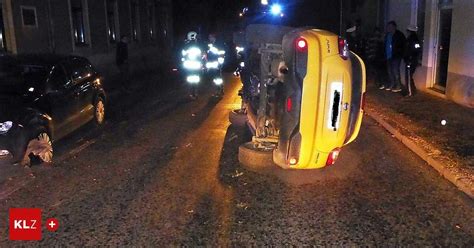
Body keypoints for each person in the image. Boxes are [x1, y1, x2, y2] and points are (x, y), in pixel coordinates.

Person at [382, 21, 406, 92]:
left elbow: (403, 45)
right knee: (389, 71)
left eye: (390, 27)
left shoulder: (399, 35)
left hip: (396, 56)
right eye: (388, 27)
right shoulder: (387, 35)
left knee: (395, 71)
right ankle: (392, 84)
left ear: (394, 27)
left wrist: (400, 53)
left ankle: (398, 85)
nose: (389, 28)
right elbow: (385, 44)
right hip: (388, 56)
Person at [181, 31, 203, 99]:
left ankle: (191, 93)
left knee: (190, 80)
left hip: (189, 67)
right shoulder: (197, 45)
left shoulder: (186, 46)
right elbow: (200, 55)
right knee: (195, 80)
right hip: (196, 66)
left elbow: (183, 55)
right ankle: (195, 93)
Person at [403, 24, 421, 96]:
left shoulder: (412, 40)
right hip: (411, 60)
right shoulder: (413, 39)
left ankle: (410, 92)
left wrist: (410, 59)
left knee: (408, 77)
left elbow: (415, 51)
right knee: (409, 76)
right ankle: (412, 90)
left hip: (410, 61)